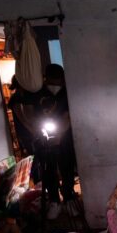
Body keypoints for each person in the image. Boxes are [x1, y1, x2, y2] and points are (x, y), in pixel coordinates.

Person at [34, 64, 78, 220]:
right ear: (46, 79)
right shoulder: (39, 95)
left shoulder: (67, 93)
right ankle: (54, 201)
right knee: (48, 170)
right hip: (44, 139)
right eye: (52, 81)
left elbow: (69, 115)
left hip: (65, 138)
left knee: (67, 168)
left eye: (58, 81)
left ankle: (68, 198)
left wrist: (61, 133)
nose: (55, 85)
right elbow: (35, 117)